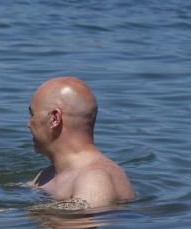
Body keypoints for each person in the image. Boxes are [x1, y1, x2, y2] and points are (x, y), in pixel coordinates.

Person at [29, 77, 134, 209]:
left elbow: (84, 223)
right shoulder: (49, 174)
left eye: (32, 114)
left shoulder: (94, 178)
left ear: (54, 119)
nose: (29, 124)